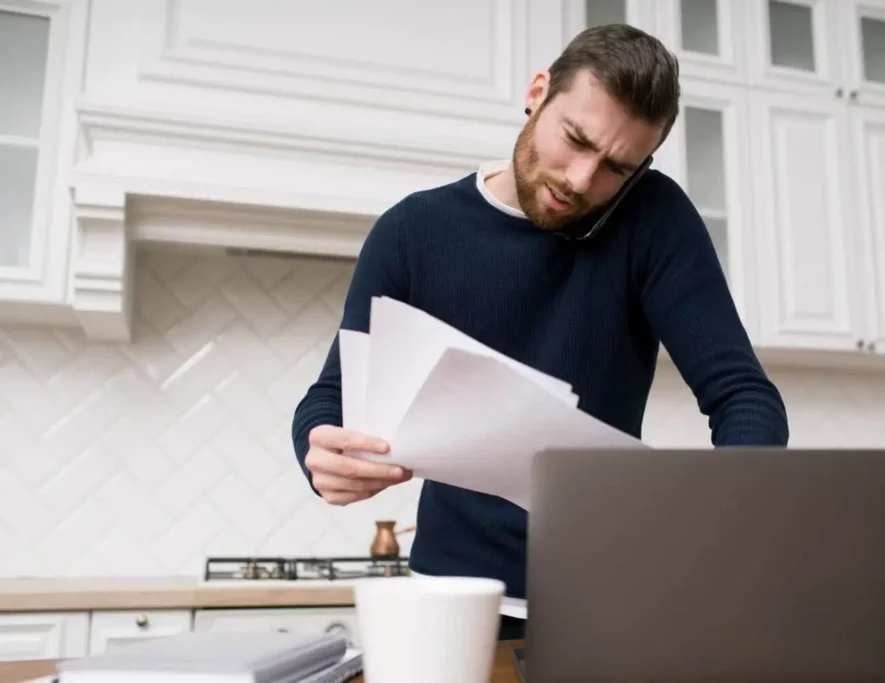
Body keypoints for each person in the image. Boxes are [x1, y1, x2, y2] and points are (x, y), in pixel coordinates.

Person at [292, 23, 789, 640]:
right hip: (454, 603)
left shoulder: (654, 219)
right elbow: (331, 396)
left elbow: (743, 395)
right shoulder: (413, 230)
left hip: (609, 603)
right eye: (575, 140)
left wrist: (729, 515)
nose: (581, 180)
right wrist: (318, 451)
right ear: (537, 92)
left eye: (616, 167)